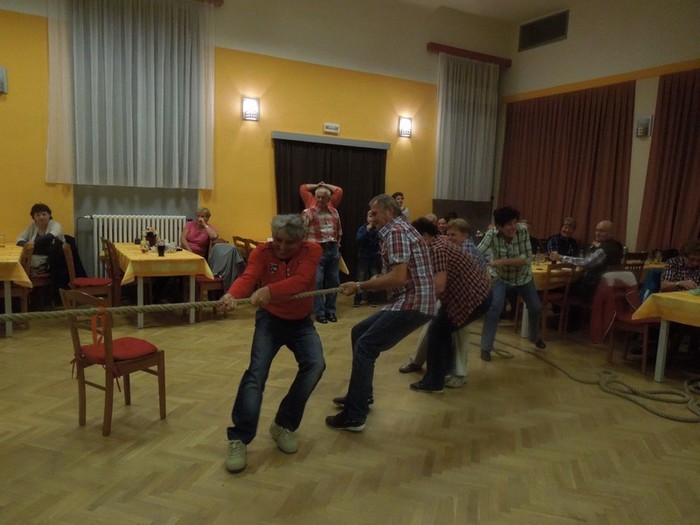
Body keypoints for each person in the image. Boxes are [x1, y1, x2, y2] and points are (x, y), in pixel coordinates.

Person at [221, 214, 325, 473]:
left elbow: (302, 280)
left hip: (301, 322)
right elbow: (249, 276)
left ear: (301, 240)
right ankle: (239, 438)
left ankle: (283, 425)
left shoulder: (312, 250)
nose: (281, 246)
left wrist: (270, 290)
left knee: (315, 365)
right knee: (256, 374)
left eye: (289, 242)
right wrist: (232, 294)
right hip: (270, 319)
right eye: (277, 239)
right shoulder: (262, 252)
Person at [326, 194, 435, 432]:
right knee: (359, 332)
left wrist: (360, 286)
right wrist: (375, 280)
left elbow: (398, 277)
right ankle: (362, 395)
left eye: (375, 213)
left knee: (366, 346)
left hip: (413, 302)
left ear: (389, 212)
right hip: (412, 300)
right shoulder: (398, 229)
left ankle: (355, 415)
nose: (371, 218)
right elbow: (399, 274)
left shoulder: (395, 232)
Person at [398, 218, 487, 386]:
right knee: (434, 327)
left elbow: (439, 285)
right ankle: (423, 365)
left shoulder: (440, 248)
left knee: (448, 330)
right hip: (456, 295)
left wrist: (416, 304)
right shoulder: (436, 244)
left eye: (454, 234)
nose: (410, 243)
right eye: (449, 234)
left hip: (470, 297)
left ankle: (453, 375)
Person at [478, 206, 545, 361]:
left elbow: (526, 258)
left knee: (536, 307)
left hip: (523, 277)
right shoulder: (491, 235)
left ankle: (534, 337)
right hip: (500, 277)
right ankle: (486, 348)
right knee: (494, 308)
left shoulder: (523, 231)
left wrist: (503, 261)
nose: (513, 227)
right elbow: (477, 252)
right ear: (499, 226)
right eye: (508, 224)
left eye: (515, 222)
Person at [301, 183, 343, 323]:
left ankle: (330, 311)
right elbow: (301, 233)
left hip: (333, 248)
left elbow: (339, 230)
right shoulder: (308, 213)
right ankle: (320, 312)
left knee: (334, 281)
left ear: (328, 199)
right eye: (318, 197)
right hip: (316, 250)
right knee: (317, 282)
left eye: (323, 197)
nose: (320, 200)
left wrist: (337, 245)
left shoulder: (334, 212)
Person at [552, 219, 623, 299]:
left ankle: (559, 306)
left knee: (555, 286)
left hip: (592, 289)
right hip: (604, 288)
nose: (597, 233)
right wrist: (593, 247)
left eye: (602, 231)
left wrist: (561, 257)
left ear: (611, 233)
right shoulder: (617, 246)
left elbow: (585, 263)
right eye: (596, 230)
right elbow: (589, 259)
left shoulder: (605, 249)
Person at [660, 240, 700, 356]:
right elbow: (663, 286)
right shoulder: (673, 263)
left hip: (691, 306)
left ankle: (692, 354)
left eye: (698, 260)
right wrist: (679, 283)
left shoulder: (698, 266)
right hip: (671, 306)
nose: (695, 263)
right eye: (692, 259)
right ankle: (671, 355)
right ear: (683, 256)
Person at [16, 202, 65, 273]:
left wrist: (33, 243)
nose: (41, 217)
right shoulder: (33, 226)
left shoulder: (56, 225)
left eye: (44, 214)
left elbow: (50, 236)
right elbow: (20, 238)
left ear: (49, 215)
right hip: (33, 257)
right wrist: (26, 245)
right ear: (34, 217)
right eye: (38, 215)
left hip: (53, 260)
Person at [353, 210, 381, 307]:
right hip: (363, 258)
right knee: (361, 277)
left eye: (374, 216)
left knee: (374, 277)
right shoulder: (363, 228)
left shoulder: (379, 229)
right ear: (367, 218)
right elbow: (358, 240)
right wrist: (366, 231)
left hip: (375, 257)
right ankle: (358, 298)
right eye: (370, 216)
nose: (372, 219)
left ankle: (372, 299)